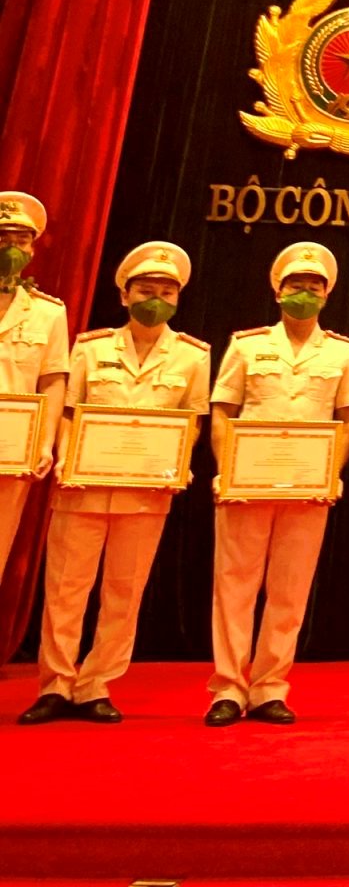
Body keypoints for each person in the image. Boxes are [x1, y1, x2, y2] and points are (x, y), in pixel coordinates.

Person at [19, 243, 204, 726]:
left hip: (145, 494)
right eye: (145, 290)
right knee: (66, 590)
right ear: (124, 295)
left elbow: (192, 421)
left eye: (166, 292)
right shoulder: (91, 346)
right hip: (81, 486)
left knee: (124, 593)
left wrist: (177, 461)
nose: (155, 300)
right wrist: (65, 458)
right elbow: (66, 409)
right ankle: (55, 684)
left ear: (178, 298)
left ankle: (96, 684)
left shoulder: (193, 356)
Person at [207, 242, 349, 726]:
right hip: (247, 483)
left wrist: (330, 473)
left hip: (307, 487)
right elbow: (222, 410)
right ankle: (228, 688)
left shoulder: (344, 351)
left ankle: (270, 688)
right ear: (278, 291)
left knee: (290, 590)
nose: (305, 293)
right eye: (296, 285)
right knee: (234, 585)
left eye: (314, 286)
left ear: (327, 294)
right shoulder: (246, 345)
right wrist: (229, 469)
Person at [0, 192, 68, 573]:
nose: (12, 248)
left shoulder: (48, 313)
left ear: (32, 249)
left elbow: (53, 379)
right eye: (3, 238)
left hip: (11, 453)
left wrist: (44, 442)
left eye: (21, 240)